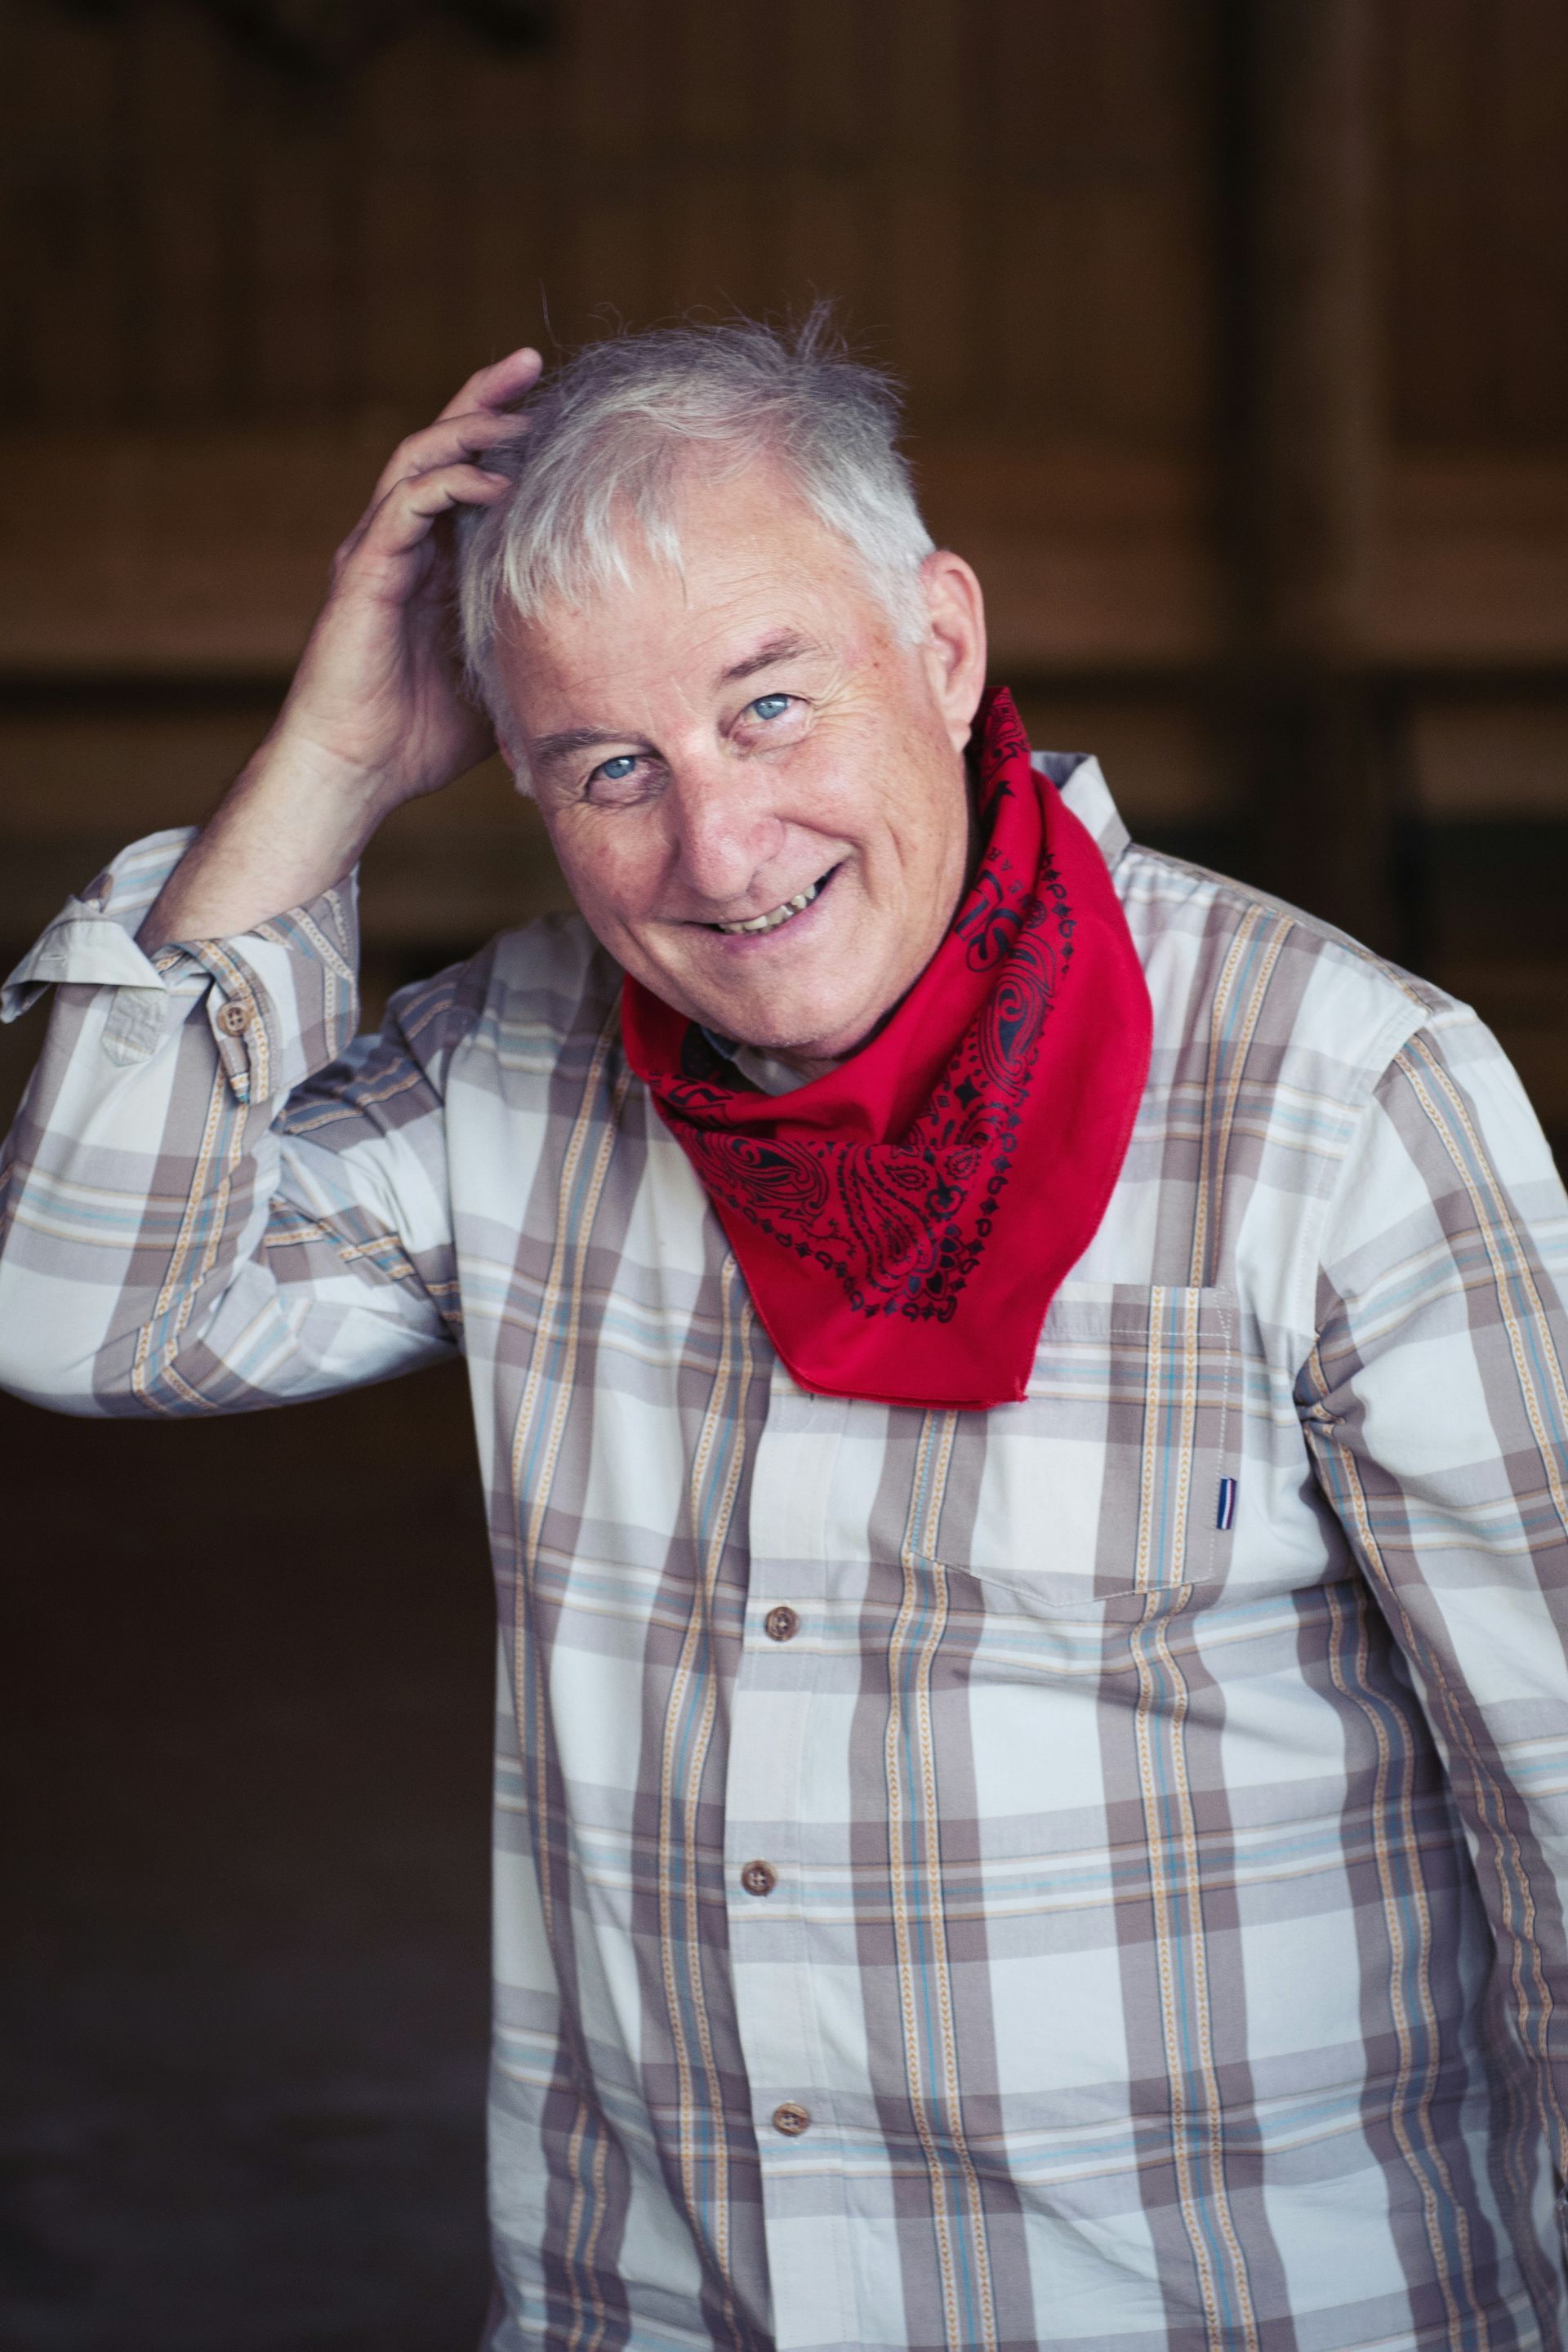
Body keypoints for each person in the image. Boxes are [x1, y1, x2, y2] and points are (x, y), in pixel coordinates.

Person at [2, 314, 1568, 2352]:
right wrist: (327, 768)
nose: (717, 854)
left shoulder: (1340, 1095)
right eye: (610, 769)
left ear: (938, 642)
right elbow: (80, 1304)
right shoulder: (514, 1069)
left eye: (768, 707)